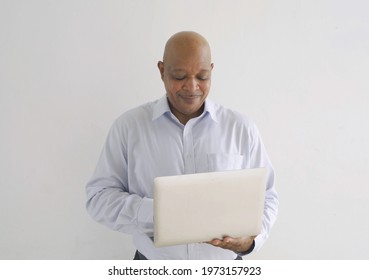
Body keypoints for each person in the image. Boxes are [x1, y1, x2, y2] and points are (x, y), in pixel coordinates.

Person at [86, 31, 278, 260]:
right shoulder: (129, 127)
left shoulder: (241, 128)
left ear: (212, 71)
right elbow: (98, 197)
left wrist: (250, 242)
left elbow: (267, 195)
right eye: (179, 76)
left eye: (202, 76)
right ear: (161, 70)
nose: (192, 86)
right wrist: (158, 212)